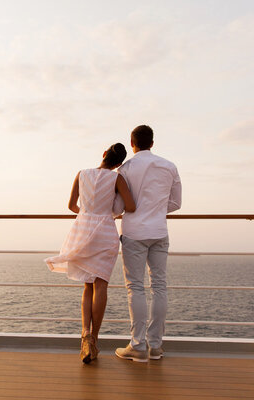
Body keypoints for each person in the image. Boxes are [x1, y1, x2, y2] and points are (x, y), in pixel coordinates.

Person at [45, 143, 136, 364]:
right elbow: (131, 206)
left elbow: (71, 206)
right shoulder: (117, 179)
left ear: (104, 154)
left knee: (87, 285)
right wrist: (111, 209)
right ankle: (94, 339)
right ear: (118, 164)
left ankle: (85, 334)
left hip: (82, 231)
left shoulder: (81, 174)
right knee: (101, 285)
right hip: (105, 233)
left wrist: (87, 214)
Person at [113, 125, 182, 362]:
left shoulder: (125, 169)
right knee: (160, 287)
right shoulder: (169, 166)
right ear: (152, 143)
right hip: (159, 231)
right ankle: (156, 346)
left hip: (134, 233)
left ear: (132, 144)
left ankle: (138, 345)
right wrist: (155, 210)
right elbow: (176, 203)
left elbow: (118, 207)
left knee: (136, 287)